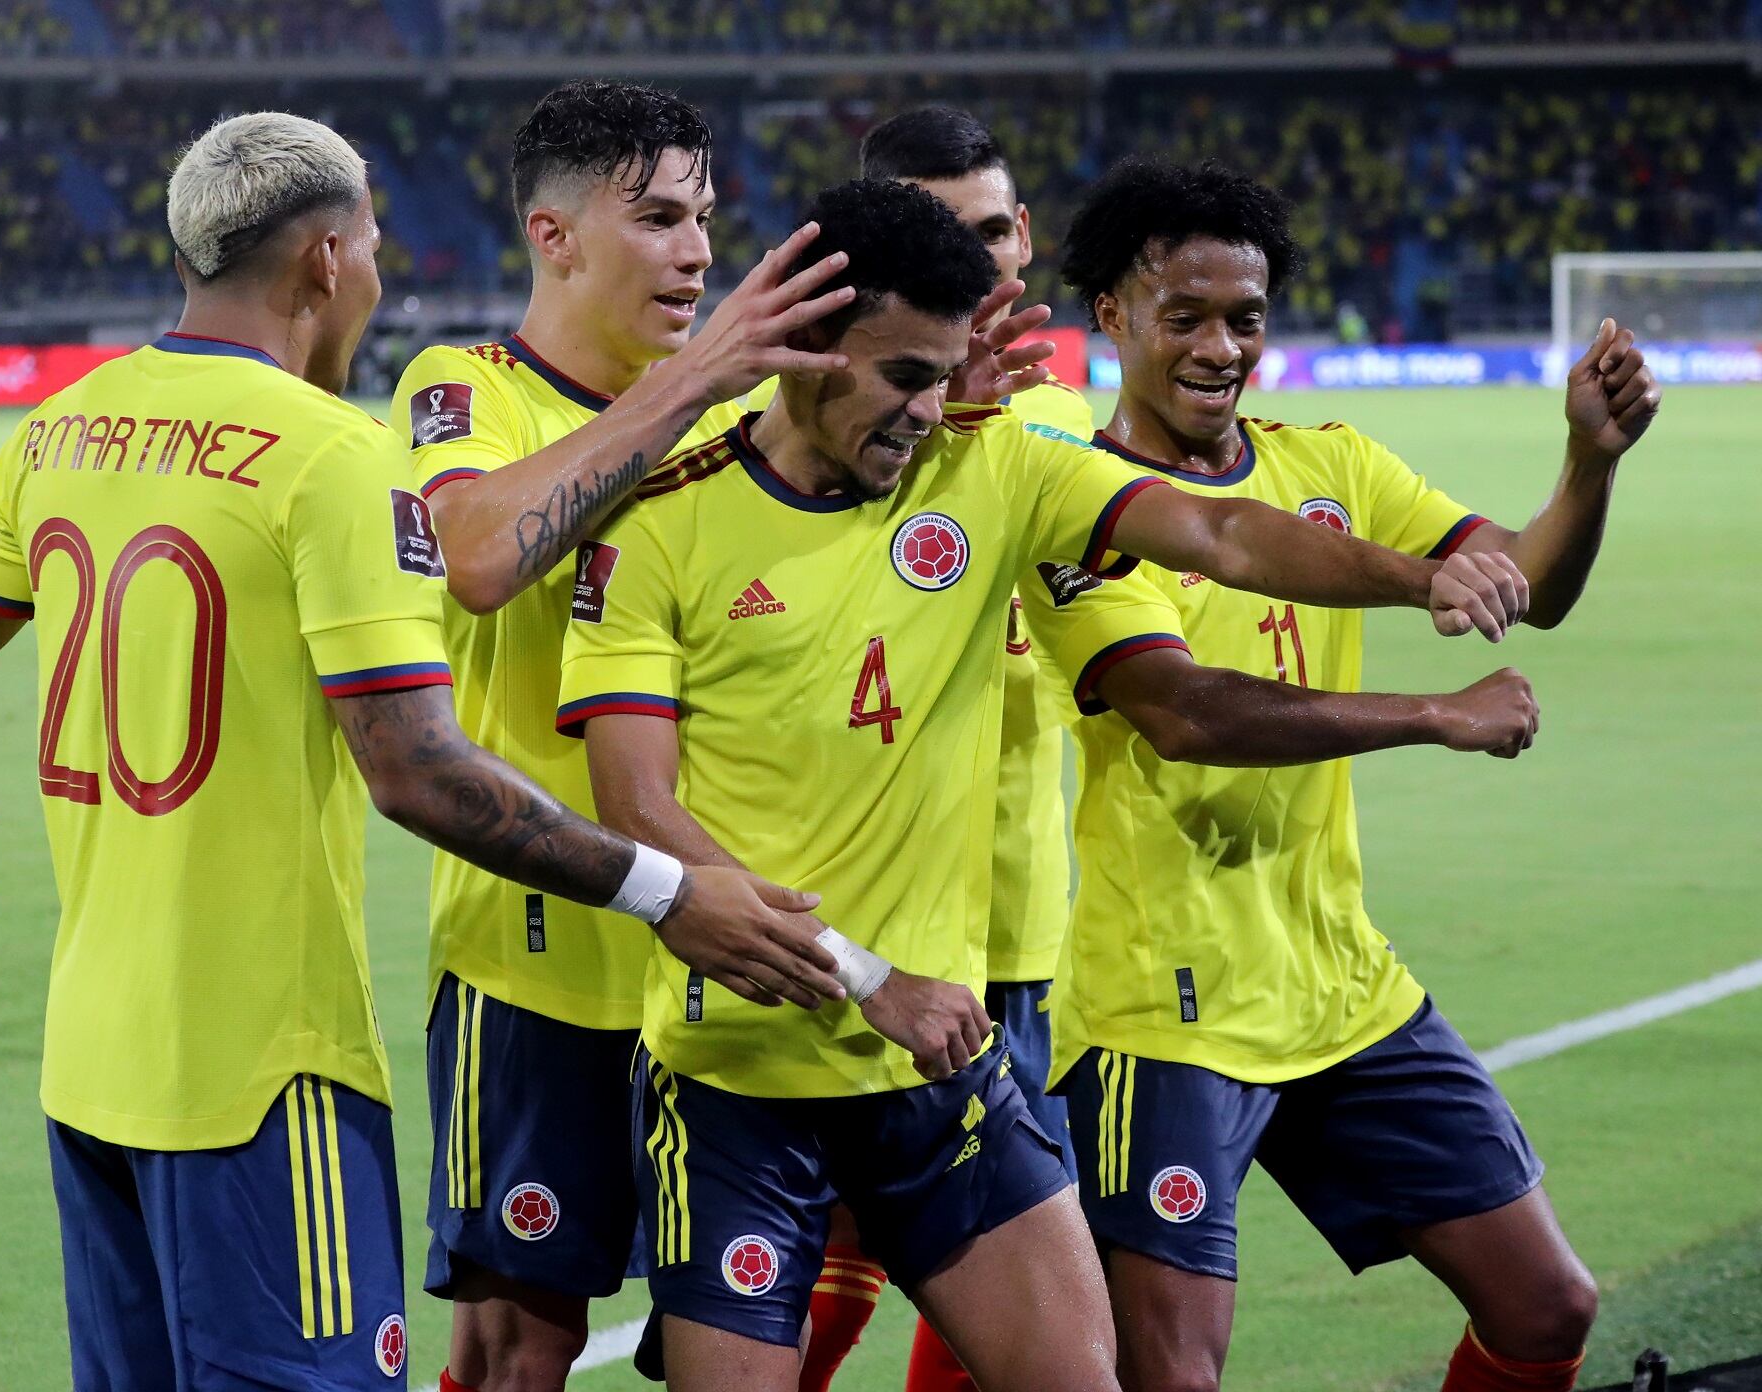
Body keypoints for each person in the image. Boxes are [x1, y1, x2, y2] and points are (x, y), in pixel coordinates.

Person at [0, 111, 836, 1391]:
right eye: (375, 241)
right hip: (268, 1073)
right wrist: (667, 893)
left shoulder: (63, 424)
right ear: (329, 262)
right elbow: (418, 772)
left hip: (91, 1067)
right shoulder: (334, 455)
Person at [557, 178, 1529, 1392]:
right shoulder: (658, 525)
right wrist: (871, 980)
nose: (930, 409)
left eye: (945, 371)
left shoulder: (995, 468)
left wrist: (1415, 579)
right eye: (904, 375)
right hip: (742, 1081)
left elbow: (1218, 535)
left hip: (937, 1069)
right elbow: (637, 811)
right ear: (805, 347)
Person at [1031, 155, 1660, 1392]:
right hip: (1164, 1012)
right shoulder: (1068, 510)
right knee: (1170, 1374)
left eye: (1246, 318)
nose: (1220, 347)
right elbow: (1186, 713)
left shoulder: (1330, 462)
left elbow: (1522, 583)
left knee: (1545, 1305)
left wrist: (1585, 467)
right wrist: (1432, 712)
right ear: (1108, 316)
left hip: (1340, 986)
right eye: (1185, 316)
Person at [389, 80, 863, 1392]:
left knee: (771, 1331)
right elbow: (478, 557)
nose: (698, 251)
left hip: (724, 958)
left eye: (705, 217)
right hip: (542, 964)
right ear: (554, 235)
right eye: (657, 217)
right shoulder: (465, 387)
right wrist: (703, 374)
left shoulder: (735, 422)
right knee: (512, 1352)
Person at [789, 104, 1091, 1392]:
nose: (971, 267)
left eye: (985, 234)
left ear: (1021, 236)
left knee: (990, 1287)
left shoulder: (1068, 431)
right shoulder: (824, 417)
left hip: (1018, 930)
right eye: (930, 239)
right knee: (814, 1271)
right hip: (848, 933)